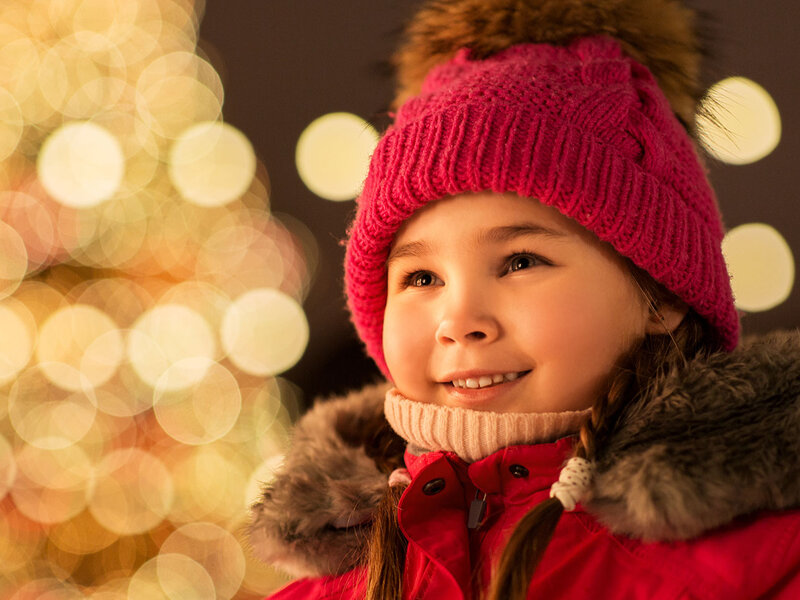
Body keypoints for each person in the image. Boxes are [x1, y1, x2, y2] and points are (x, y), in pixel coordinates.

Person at [249, 0, 800, 598]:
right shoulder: (325, 589)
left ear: (658, 294)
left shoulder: (759, 559)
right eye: (421, 278)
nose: (459, 322)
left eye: (519, 262)